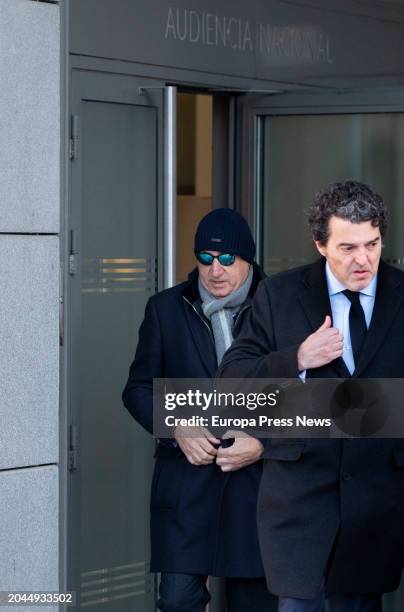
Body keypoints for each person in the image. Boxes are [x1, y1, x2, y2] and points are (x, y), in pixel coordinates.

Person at [218, 181, 404, 612]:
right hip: (300, 503)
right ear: (320, 244)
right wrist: (298, 357)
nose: (363, 259)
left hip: (378, 501)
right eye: (348, 247)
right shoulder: (279, 295)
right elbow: (231, 379)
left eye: (372, 244)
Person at [122, 208, 277, 611]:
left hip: (257, 487)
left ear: (247, 260)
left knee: (255, 604)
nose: (215, 270)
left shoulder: (280, 308)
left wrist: (263, 441)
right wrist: (177, 427)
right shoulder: (166, 309)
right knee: (177, 602)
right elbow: (137, 389)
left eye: (227, 259)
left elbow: (307, 395)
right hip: (187, 487)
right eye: (205, 258)